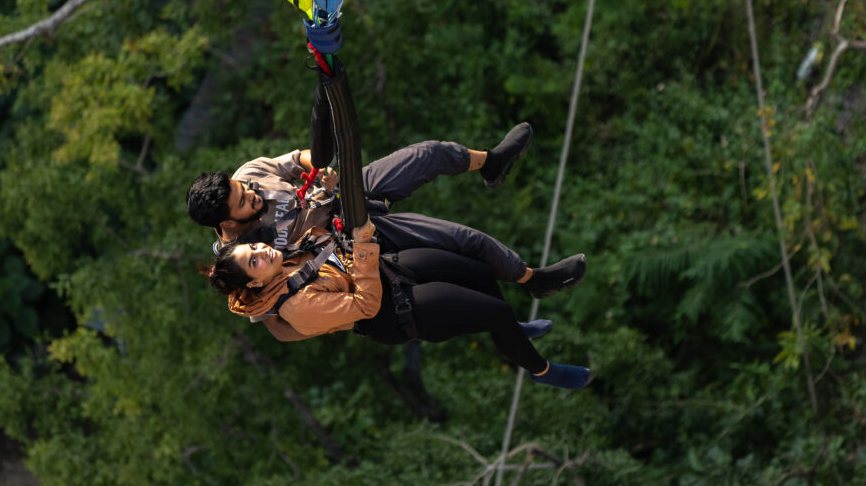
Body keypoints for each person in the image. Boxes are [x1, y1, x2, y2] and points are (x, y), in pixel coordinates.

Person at [187, 124, 587, 298]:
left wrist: (320, 169)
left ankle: (492, 161)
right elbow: (271, 290)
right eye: (244, 203)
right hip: (350, 238)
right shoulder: (242, 255)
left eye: (246, 191)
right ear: (227, 223)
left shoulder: (250, 174)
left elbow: (298, 159)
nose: (253, 197)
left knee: (427, 154)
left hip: (342, 190)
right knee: (459, 239)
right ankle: (532, 279)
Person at [205, 217, 591, 390]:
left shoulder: (286, 258)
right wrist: (364, 247)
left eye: (255, 248)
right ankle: (542, 371)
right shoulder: (294, 307)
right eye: (254, 260)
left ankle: (510, 334)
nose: (262, 252)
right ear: (254, 282)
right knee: (498, 312)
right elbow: (366, 305)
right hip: (391, 310)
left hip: (382, 272)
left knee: (478, 271)